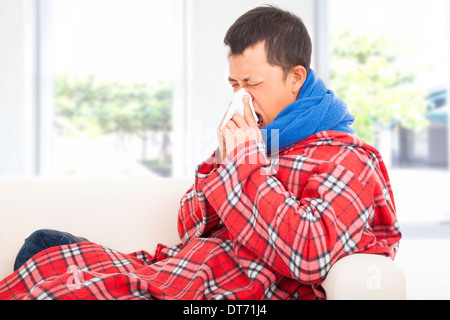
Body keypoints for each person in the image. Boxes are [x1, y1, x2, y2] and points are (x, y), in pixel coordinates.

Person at [0, 5, 401, 300]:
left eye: (252, 82)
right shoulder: (253, 140)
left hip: (228, 288)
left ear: (296, 77)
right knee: (43, 244)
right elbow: (190, 225)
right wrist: (227, 160)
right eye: (233, 84)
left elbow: (309, 253)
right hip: (183, 265)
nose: (241, 96)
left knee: (52, 283)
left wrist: (247, 165)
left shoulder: (349, 158)